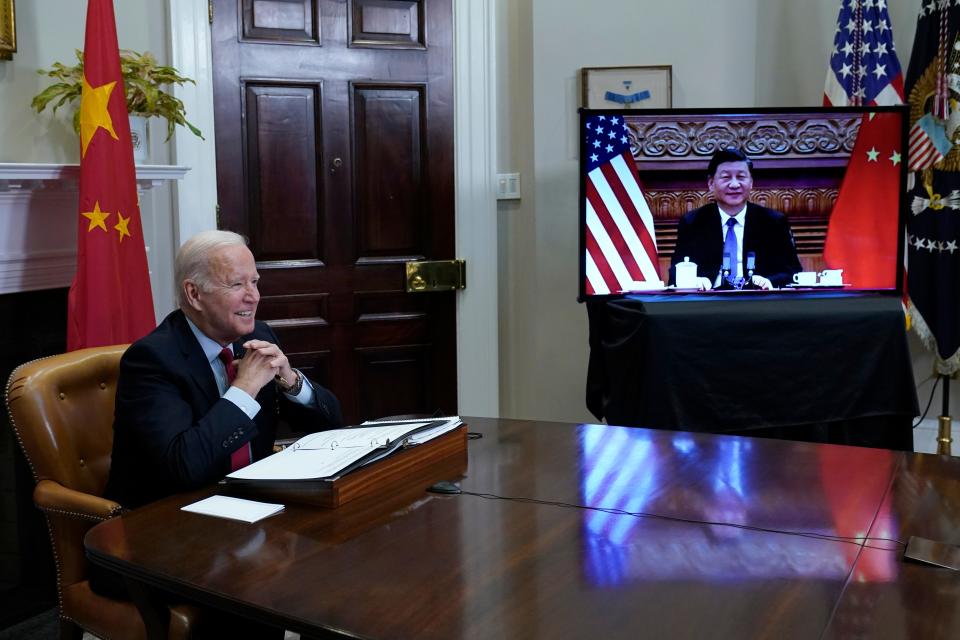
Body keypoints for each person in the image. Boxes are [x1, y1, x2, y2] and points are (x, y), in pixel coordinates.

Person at [105, 230, 342, 509]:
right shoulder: (152, 360)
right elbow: (182, 467)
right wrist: (245, 389)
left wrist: (292, 382)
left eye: (254, 282)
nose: (253, 296)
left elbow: (331, 426)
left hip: (255, 504)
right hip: (171, 517)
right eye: (237, 285)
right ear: (194, 294)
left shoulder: (257, 338)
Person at [668, 148, 802, 290]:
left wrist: (769, 282)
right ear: (711, 183)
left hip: (758, 301)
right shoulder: (693, 222)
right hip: (708, 302)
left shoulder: (773, 222)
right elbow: (675, 274)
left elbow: (793, 272)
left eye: (741, 177)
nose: (734, 184)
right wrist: (695, 281)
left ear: (751, 182)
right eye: (726, 177)